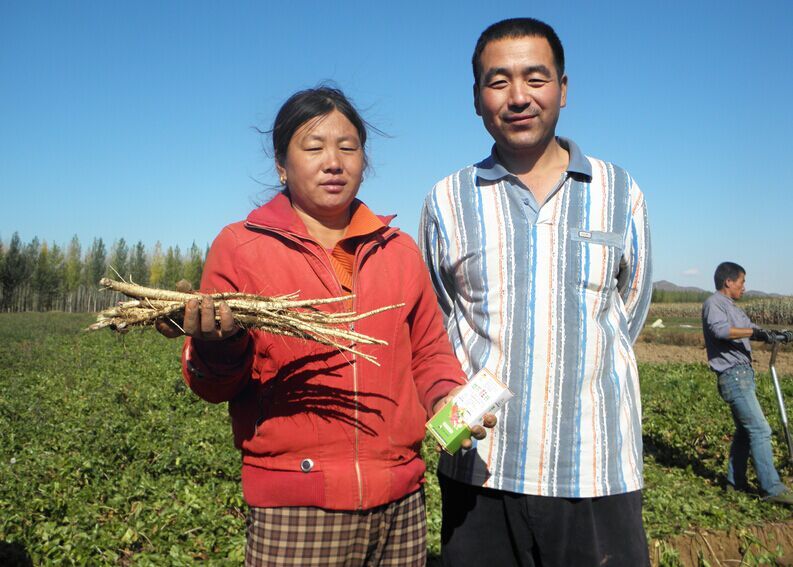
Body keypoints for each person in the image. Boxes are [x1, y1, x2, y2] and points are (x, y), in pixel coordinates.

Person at [157, 86, 494, 566]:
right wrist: (218, 346)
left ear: (364, 160)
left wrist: (446, 396)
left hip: (401, 503)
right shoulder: (240, 248)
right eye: (313, 147)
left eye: (348, 147)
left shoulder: (398, 250)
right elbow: (214, 386)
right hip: (295, 509)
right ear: (281, 164)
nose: (333, 162)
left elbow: (429, 353)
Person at [419, 17, 653, 567]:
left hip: (595, 469)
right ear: (476, 98)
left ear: (563, 89)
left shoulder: (620, 192)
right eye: (498, 81)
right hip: (482, 468)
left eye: (536, 78)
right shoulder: (447, 200)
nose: (518, 96)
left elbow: (629, 310)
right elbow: (438, 318)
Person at [701, 261, 793, 504]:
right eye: (742, 282)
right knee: (760, 429)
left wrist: (776, 334)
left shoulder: (732, 307)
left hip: (742, 375)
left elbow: (752, 328)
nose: (744, 287)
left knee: (745, 431)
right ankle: (772, 489)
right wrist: (754, 333)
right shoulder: (714, 304)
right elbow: (721, 331)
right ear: (728, 282)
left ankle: (735, 484)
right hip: (733, 376)